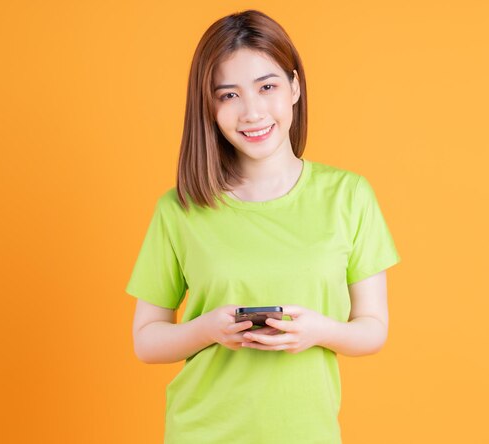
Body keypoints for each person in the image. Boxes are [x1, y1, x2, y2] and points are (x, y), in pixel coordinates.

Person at [126, 9, 401, 444]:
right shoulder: (179, 209)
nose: (252, 112)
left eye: (267, 87)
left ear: (294, 87)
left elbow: (373, 329)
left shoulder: (348, 196)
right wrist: (208, 329)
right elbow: (146, 341)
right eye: (229, 95)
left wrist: (318, 331)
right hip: (201, 432)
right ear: (210, 106)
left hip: (308, 434)